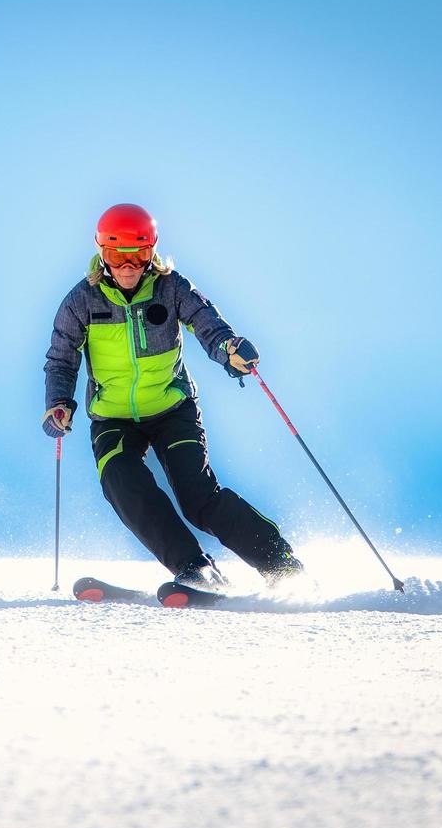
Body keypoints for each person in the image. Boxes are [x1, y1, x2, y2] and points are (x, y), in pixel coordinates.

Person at [42, 203, 304, 589]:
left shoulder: (171, 287)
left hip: (172, 409)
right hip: (113, 417)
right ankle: (196, 569)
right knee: (120, 482)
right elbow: (61, 358)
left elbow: (207, 325)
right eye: (117, 255)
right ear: (102, 254)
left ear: (152, 254)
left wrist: (230, 350)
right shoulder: (82, 301)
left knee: (197, 497)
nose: (128, 266)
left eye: (139, 254)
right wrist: (58, 403)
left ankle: (281, 566)